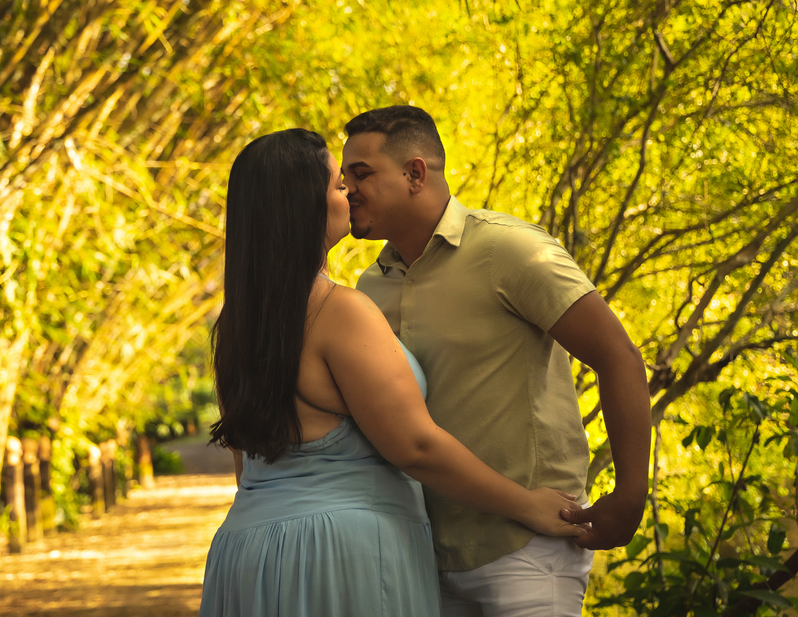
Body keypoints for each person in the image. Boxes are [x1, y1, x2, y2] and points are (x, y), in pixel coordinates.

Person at [199, 128, 585, 617]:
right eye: (338, 184)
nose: (349, 194)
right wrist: (528, 504)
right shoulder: (338, 310)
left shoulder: (235, 326)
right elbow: (415, 446)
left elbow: (247, 467)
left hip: (247, 552)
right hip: (338, 555)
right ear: (303, 205)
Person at [343, 105, 650, 616]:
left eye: (361, 173)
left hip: (528, 550)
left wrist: (631, 493)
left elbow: (618, 356)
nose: (347, 190)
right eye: (344, 177)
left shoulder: (509, 249)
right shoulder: (369, 288)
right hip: (420, 557)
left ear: (415, 173)